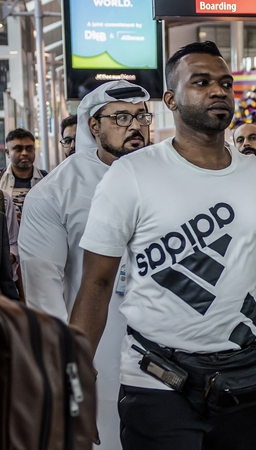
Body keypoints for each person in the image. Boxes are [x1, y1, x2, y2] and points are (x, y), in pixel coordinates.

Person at [69, 41, 256, 450]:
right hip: (157, 383)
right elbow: (95, 283)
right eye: (201, 82)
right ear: (170, 98)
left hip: (248, 382)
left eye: (225, 82)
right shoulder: (132, 175)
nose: (218, 90)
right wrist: (73, 372)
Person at [20, 80, 152, 450]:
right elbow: (44, 296)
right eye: (122, 117)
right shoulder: (54, 194)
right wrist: (68, 368)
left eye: (142, 116)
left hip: (167, 355)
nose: (136, 126)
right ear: (93, 126)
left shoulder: (163, 177)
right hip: (97, 355)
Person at [0, 128, 48, 221]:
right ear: (8, 153)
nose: (25, 153)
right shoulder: (1, 179)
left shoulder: (47, 179)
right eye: (18, 149)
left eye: (29, 148)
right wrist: (9, 217)